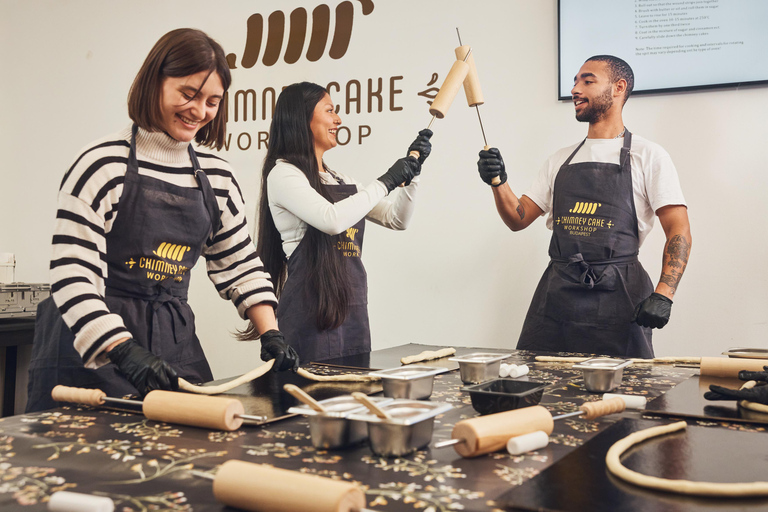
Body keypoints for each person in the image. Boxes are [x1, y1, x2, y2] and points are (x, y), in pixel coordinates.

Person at [26, 28, 298, 413]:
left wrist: (271, 332)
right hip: (88, 343)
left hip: (172, 340)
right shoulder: (102, 164)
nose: (199, 111)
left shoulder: (216, 176)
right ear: (154, 82)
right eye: (188, 94)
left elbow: (240, 265)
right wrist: (122, 349)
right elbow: (72, 277)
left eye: (212, 102)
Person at [477, 55, 692, 358]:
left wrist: (664, 294)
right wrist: (497, 181)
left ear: (619, 87)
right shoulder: (560, 160)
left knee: (622, 395)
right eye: (575, 81)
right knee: (541, 386)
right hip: (557, 297)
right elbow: (518, 217)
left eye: (587, 80)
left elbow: (678, 229)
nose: (575, 89)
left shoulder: (649, 156)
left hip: (620, 297)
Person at [244, 82, 432, 362]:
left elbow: (397, 219)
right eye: (330, 110)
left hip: (352, 312)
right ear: (302, 118)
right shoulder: (283, 175)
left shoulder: (342, 180)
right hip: (311, 316)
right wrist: (387, 181)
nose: (338, 119)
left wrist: (411, 174)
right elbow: (331, 220)